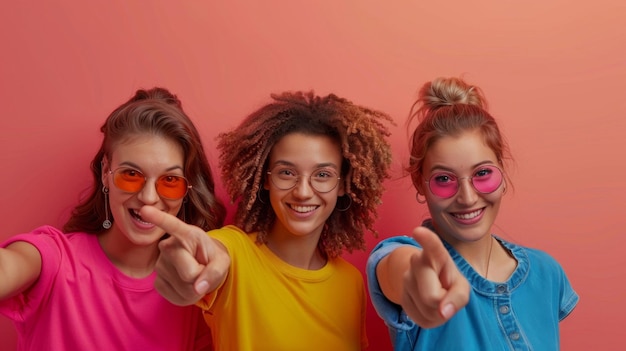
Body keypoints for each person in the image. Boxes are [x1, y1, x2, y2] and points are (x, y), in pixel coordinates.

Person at [140, 91, 394, 350]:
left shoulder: (350, 283)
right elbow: (210, 252)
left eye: (322, 174)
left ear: (343, 184)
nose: (303, 191)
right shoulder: (235, 253)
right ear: (265, 179)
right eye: (286, 172)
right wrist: (187, 259)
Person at [0, 87, 226, 351]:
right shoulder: (54, 259)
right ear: (107, 171)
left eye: (170, 180)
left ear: (186, 190)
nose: (149, 197)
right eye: (131, 174)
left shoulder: (193, 292)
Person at [366, 77, 579, 350]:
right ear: (420, 182)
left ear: (501, 172)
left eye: (482, 174)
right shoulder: (411, 258)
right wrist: (417, 280)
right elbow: (397, 269)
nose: (467, 198)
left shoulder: (546, 273)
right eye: (444, 179)